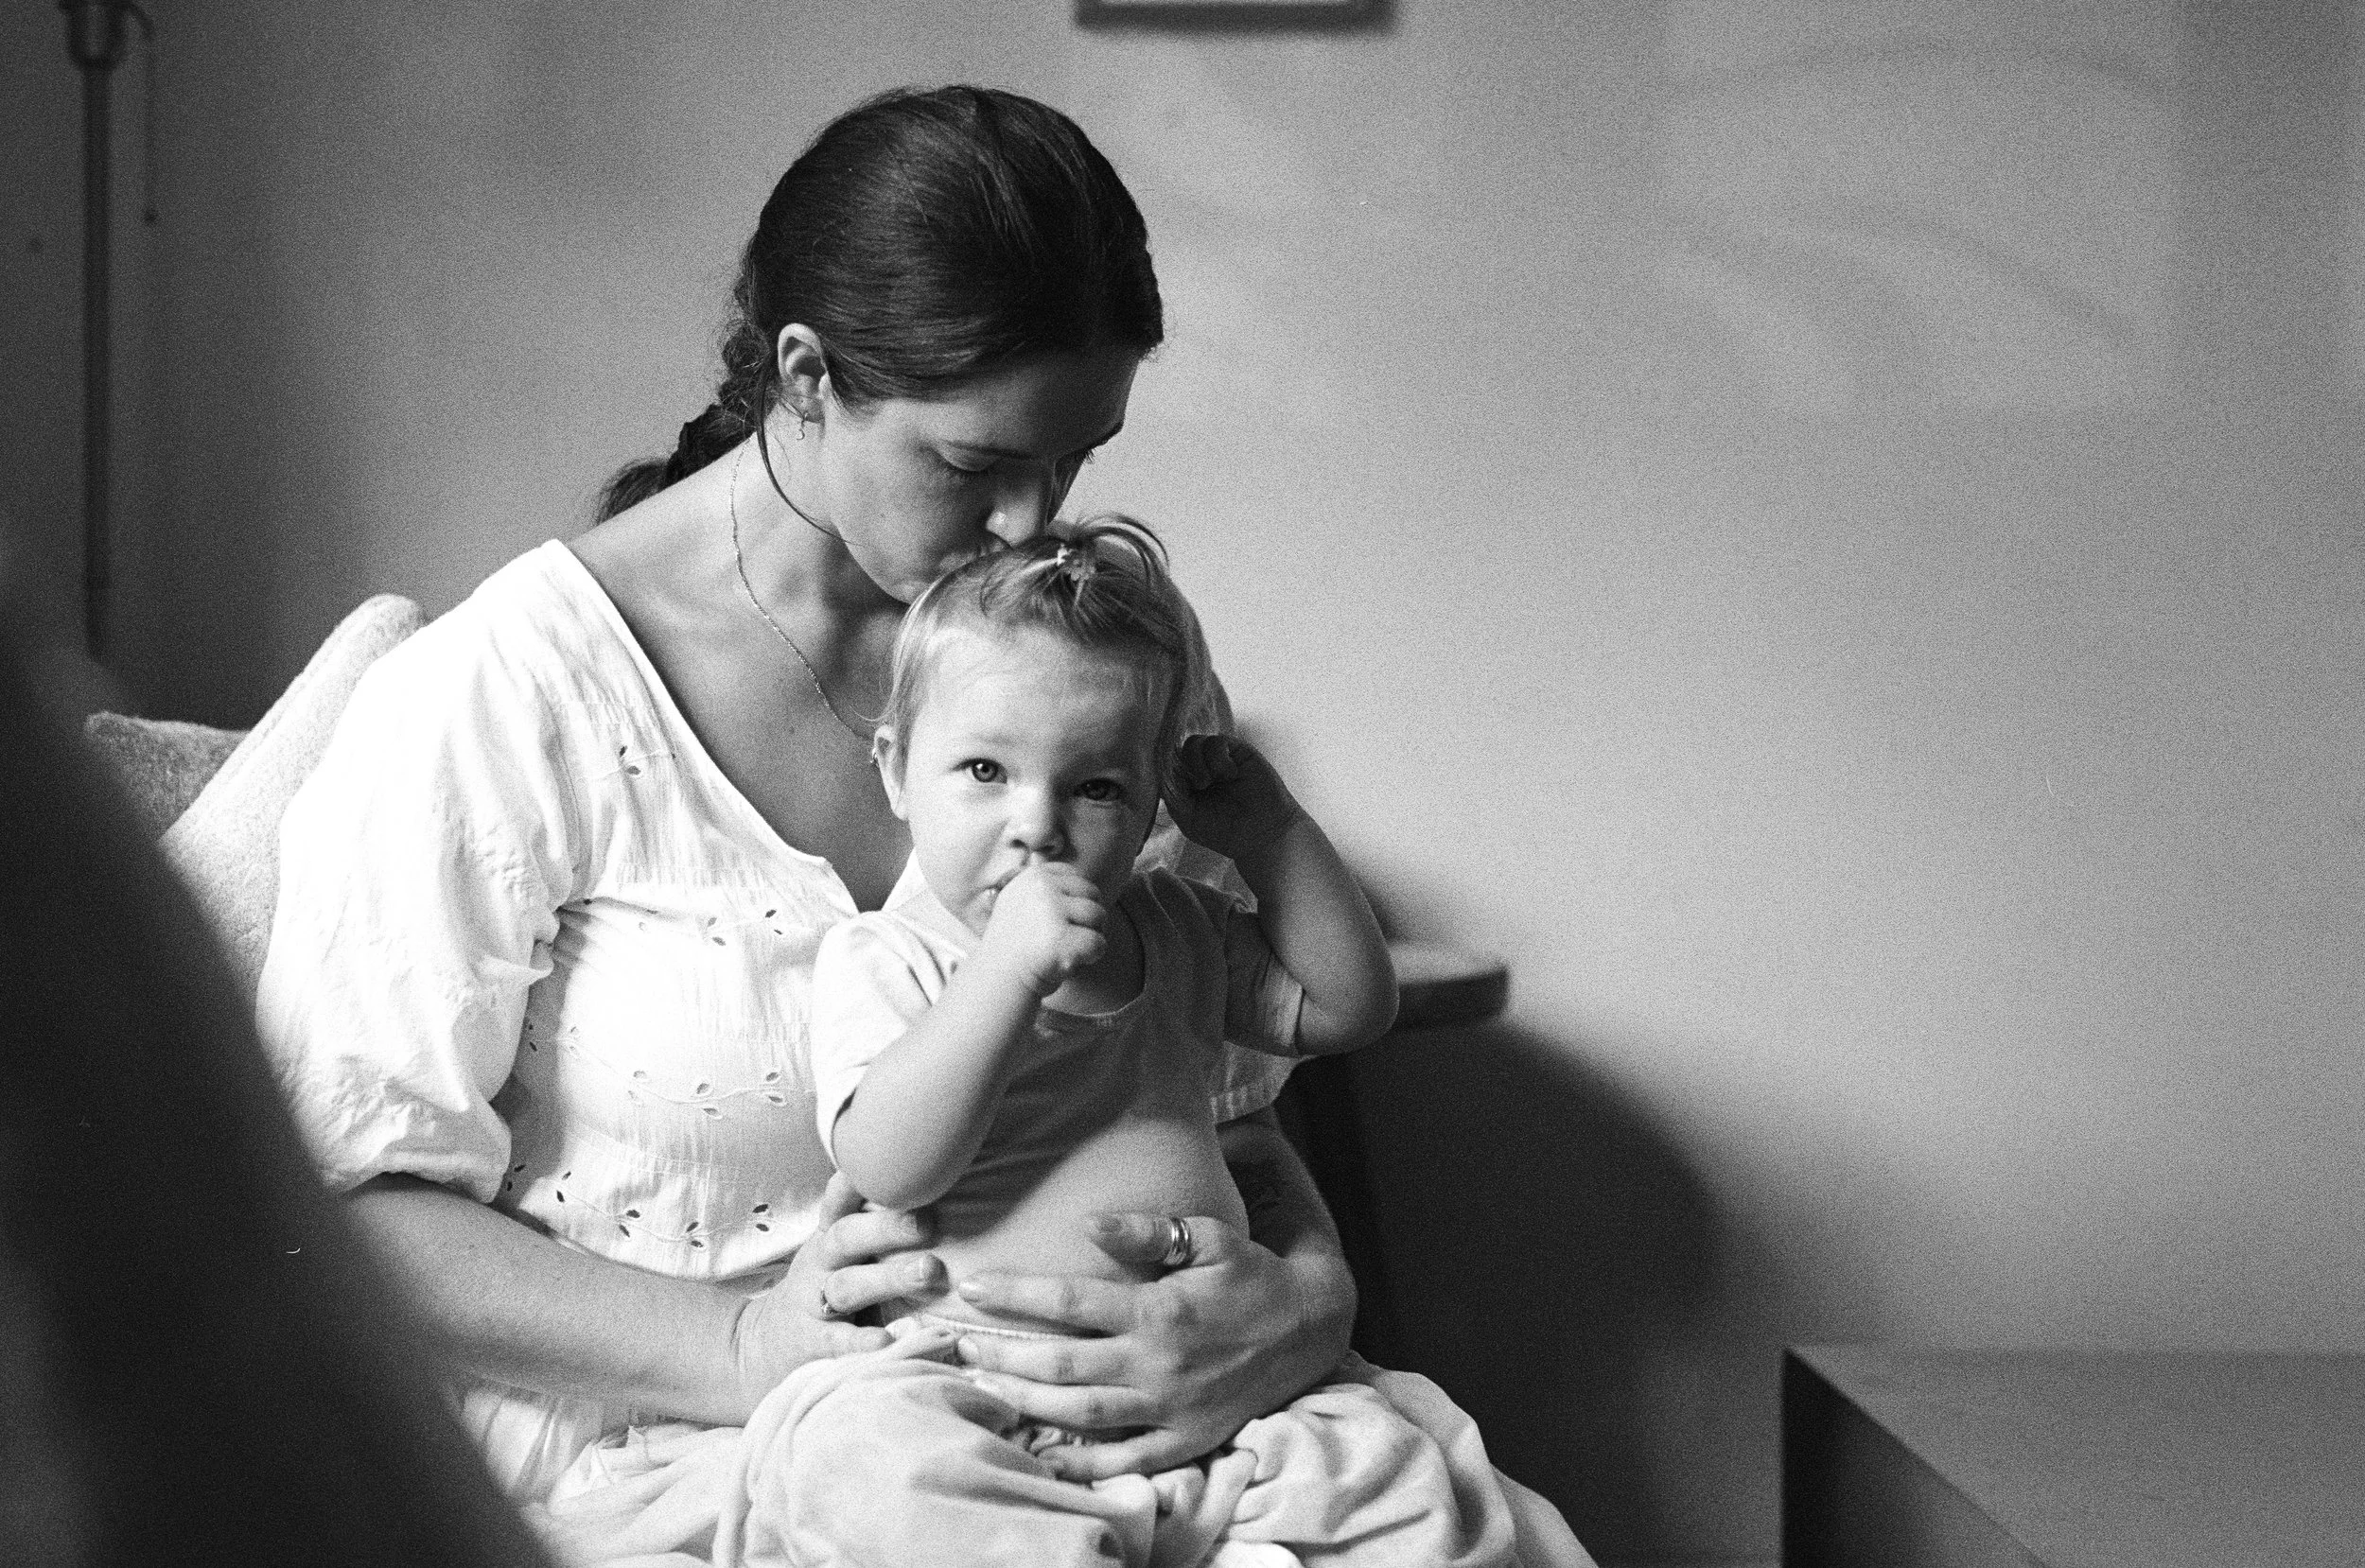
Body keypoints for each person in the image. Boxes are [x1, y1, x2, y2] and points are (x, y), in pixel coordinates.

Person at [255, 83, 1588, 1564]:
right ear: (808, 378)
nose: (1033, 521)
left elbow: (1199, 1075)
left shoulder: (1084, 652)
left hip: (1141, 1432)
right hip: (727, 1449)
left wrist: (1305, 1294)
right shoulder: (503, 698)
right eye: (971, 464)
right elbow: (332, 1213)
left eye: (1075, 456)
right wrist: (745, 1345)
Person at [750, 518, 1517, 1567]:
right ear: (896, 770)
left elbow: (1350, 1008)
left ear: (1154, 799)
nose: (1038, 823)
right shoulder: (889, 957)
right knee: (862, 1462)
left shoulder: (1174, 927)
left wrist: (1273, 833)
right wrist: (1007, 973)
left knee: (1394, 1483)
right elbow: (889, 1159)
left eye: (1096, 786)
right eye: (983, 768)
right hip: (967, 1383)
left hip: (1208, 1397)